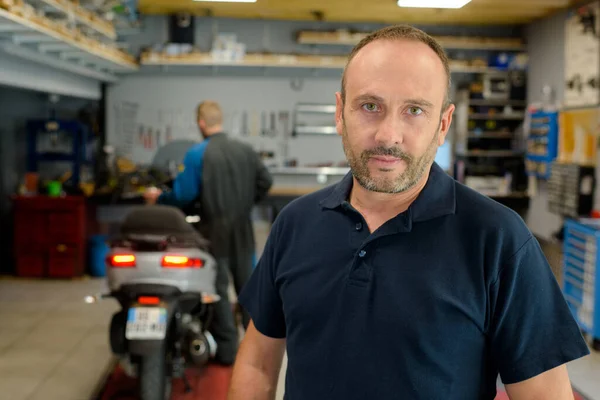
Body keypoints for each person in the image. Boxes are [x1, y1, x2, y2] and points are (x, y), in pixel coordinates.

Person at [228, 25, 590, 399]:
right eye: (370, 106)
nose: (388, 135)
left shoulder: (498, 238)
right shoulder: (295, 223)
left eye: (414, 110)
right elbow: (257, 363)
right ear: (340, 113)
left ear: (443, 125)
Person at [144, 100, 273, 365]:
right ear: (220, 120)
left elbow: (184, 194)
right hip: (243, 230)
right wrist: (247, 201)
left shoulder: (197, 154)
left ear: (201, 123)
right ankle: (256, 353)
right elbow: (266, 181)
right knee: (249, 288)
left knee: (217, 290)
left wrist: (159, 199)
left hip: (212, 231)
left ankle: (227, 352)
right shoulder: (245, 150)